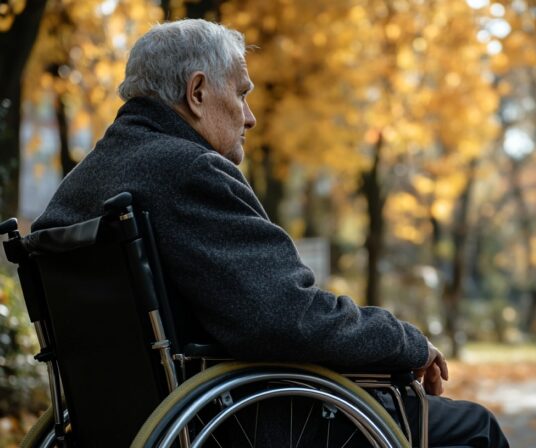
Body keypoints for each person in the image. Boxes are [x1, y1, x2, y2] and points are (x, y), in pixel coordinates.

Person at [33, 19, 509, 447]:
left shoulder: (78, 187)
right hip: (243, 420)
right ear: (196, 93)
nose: (250, 116)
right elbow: (284, 317)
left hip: (126, 423)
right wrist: (406, 342)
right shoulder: (189, 170)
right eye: (241, 93)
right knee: (474, 428)